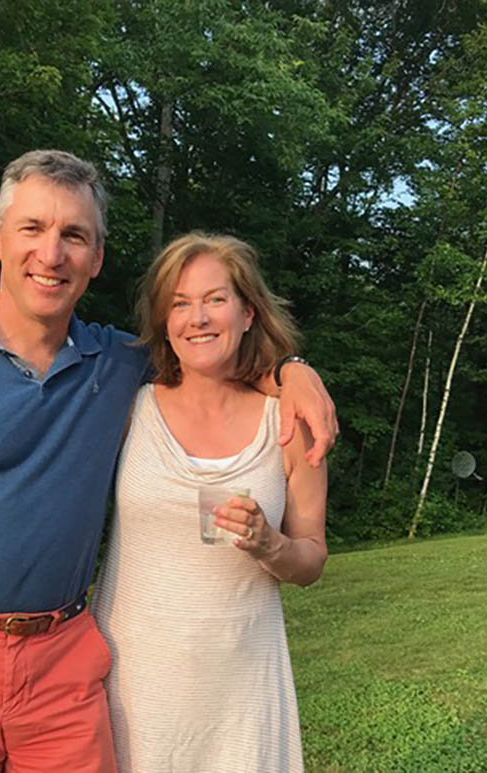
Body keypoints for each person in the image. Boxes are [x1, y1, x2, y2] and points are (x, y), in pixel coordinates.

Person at [0, 150, 336, 773]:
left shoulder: (115, 363)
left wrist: (294, 371)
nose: (51, 254)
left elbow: (208, 358)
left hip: (65, 660)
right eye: (33, 229)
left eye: (73, 235)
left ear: (96, 258)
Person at [92, 232, 328, 772]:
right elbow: (50, 478)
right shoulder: (130, 406)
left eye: (215, 299)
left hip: (243, 694)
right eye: (180, 303)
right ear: (164, 322)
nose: (197, 317)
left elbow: (312, 559)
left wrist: (271, 544)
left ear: (248, 312)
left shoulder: (291, 424)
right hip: (135, 690)